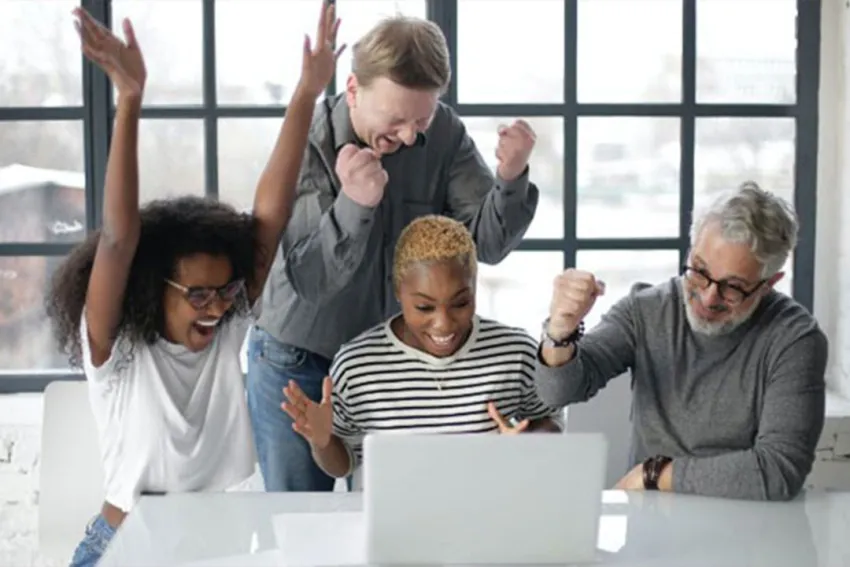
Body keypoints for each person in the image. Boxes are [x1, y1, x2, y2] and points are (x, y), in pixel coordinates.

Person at [46, 4, 341, 565]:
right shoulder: (117, 352)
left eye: (226, 290)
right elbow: (117, 239)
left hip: (215, 548)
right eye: (198, 295)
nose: (216, 307)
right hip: (123, 548)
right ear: (151, 289)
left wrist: (307, 93)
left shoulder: (228, 327)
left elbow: (269, 216)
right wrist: (128, 101)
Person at [246, 15, 540, 492]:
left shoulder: (442, 133)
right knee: (300, 522)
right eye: (396, 119)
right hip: (297, 358)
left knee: (390, 512)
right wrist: (356, 203)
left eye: (420, 119)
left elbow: (485, 245)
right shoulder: (310, 141)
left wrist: (510, 178)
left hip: (385, 364)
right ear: (354, 88)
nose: (409, 136)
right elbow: (312, 280)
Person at [534, 182, 828, 501]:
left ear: (769, 283)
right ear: (691, 250)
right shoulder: (646, 309)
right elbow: (558, 391)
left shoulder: (794, 339)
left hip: (749, 522)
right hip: (652, 529)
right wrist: (560, 330)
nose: (707, 296)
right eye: (699, 271)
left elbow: (779, 471)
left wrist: (654, 473)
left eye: (733, 287)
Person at [280, 215, 561, 487]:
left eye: (460, 303)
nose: (444, 323)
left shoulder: (515, 352)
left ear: (475, 287)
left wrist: (528, 444)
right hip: (394, 525)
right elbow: (345, 464)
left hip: (487, 520)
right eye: (425, 307)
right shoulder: (357, 365)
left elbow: (550, 425)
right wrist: (323, 441)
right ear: (398, 291)